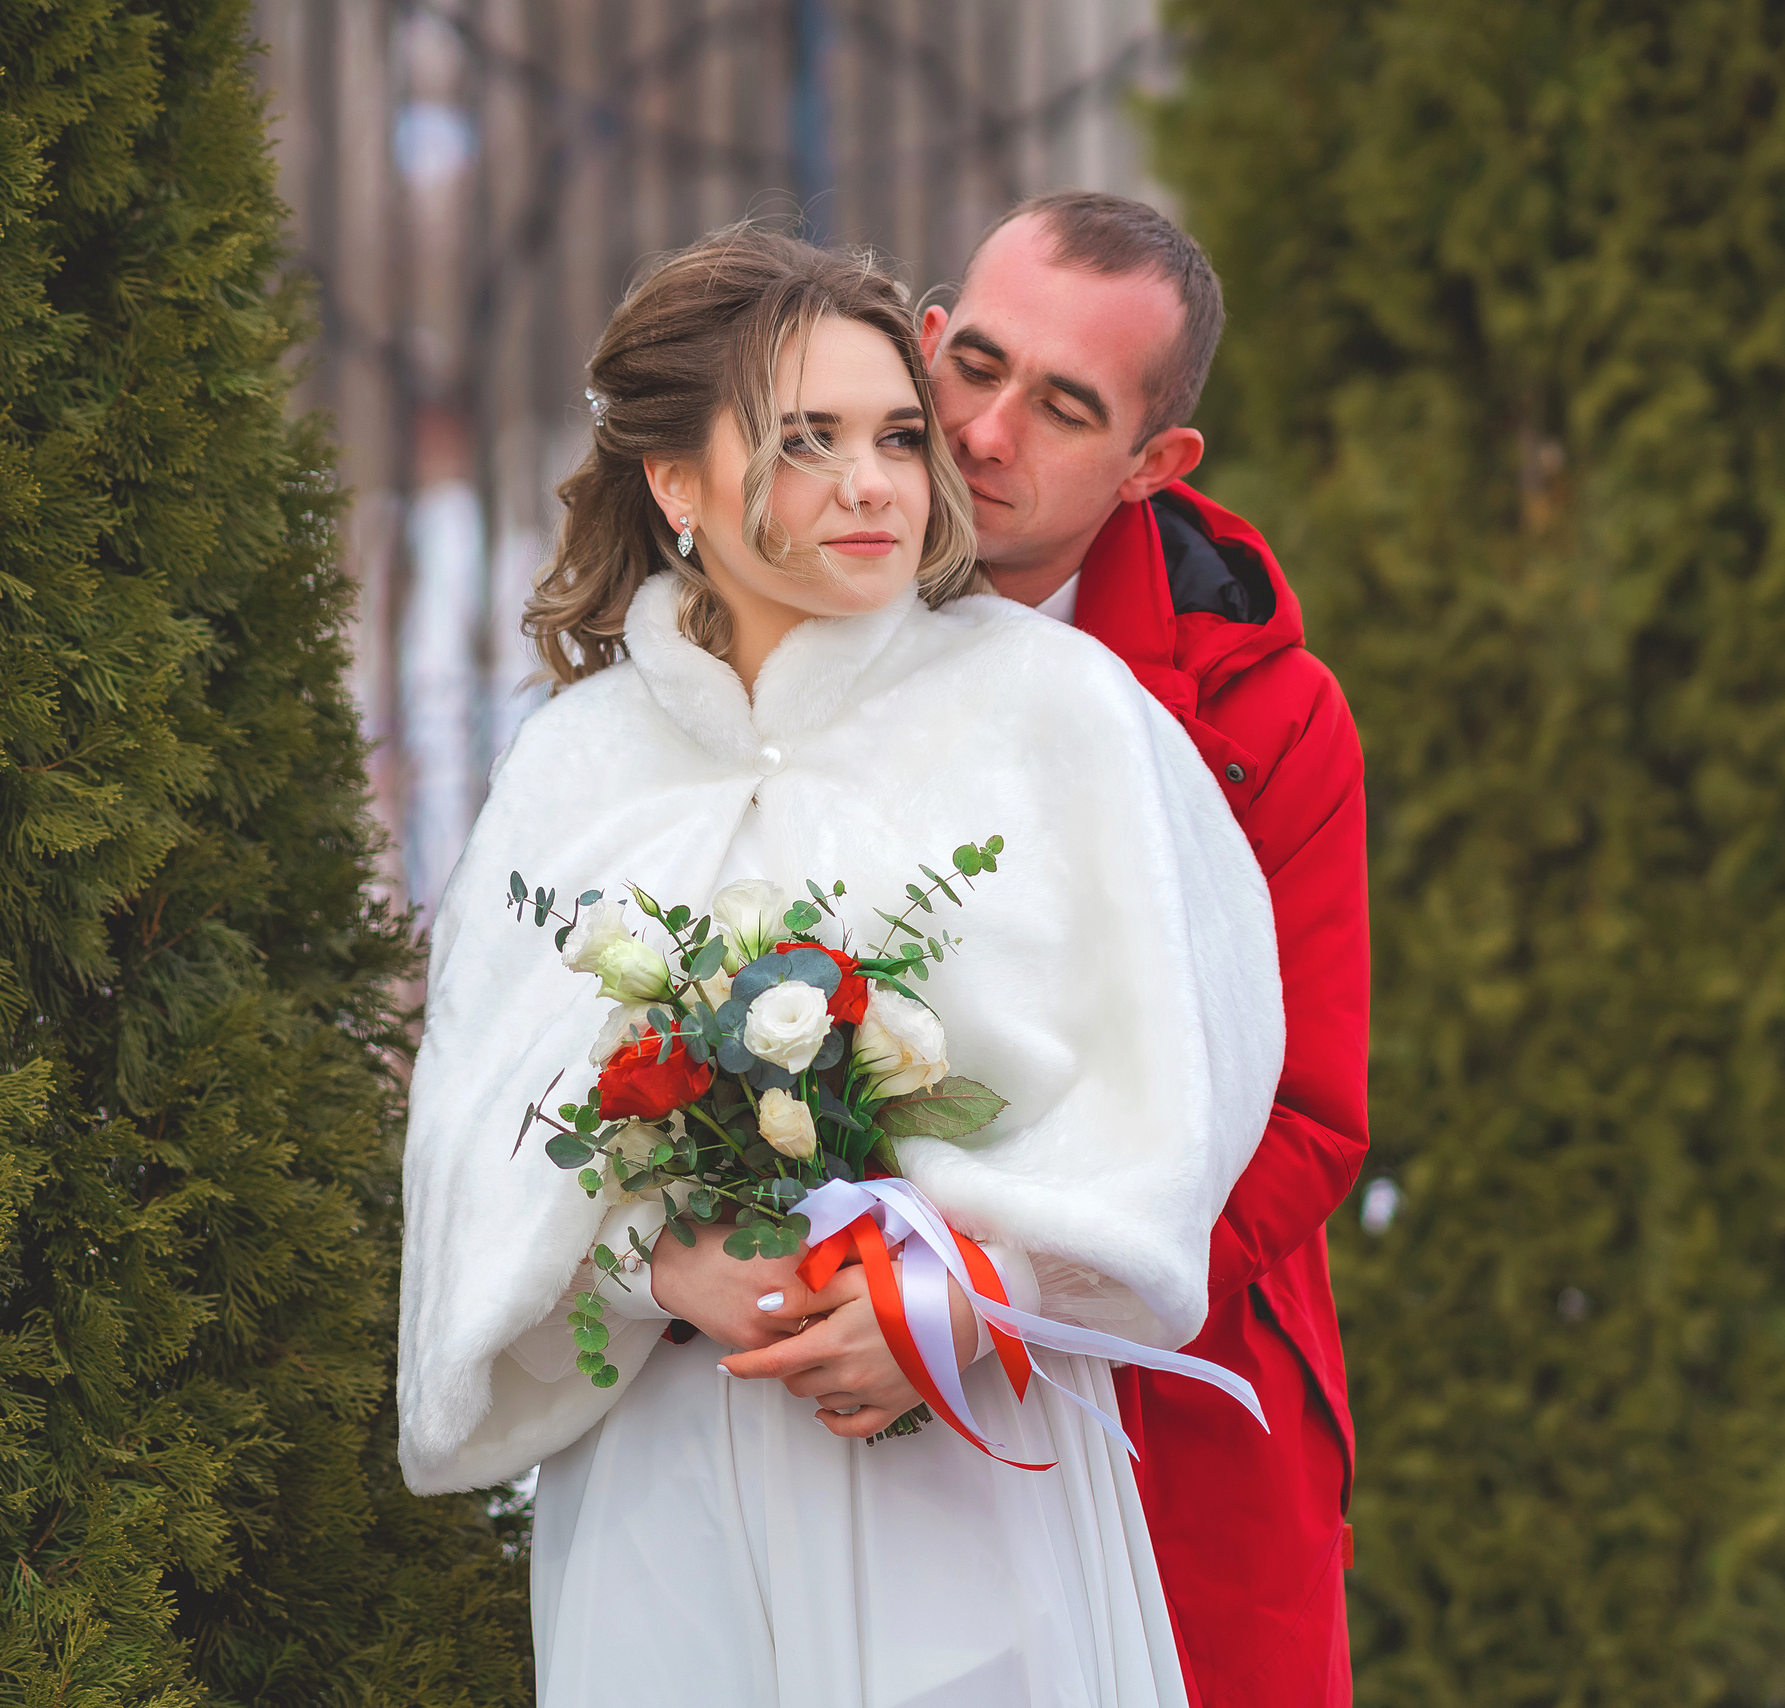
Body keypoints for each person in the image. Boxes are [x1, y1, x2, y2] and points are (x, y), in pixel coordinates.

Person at [395, 225, 1285, 1707]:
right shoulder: (573, 768)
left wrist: (963, 1293)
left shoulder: (1061, 711)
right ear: (676, 483)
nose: (876, 484)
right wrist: (655, 1264)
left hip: (965, 1477)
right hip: (664, 1495)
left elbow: (1184, 1094)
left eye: (893, 434)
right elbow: (478, 1146)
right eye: (807, 442)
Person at [918, 190, 1371, 1707]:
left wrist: (1004, 1304)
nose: (984, 431)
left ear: (1153, 465)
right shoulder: (767, 631)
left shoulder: (1269, 719)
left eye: (1062, 405)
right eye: (971, 364)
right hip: (836, 1416)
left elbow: (1303, 1122)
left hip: (1171, 1415)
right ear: (922, 339)